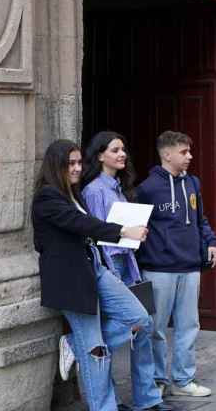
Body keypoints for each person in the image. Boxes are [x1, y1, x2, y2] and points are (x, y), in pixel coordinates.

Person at [32, 139, 171, 411]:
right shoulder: (48, 197)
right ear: (55, 166)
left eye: (78, 162)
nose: (76, 168)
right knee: (95, 353)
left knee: (141, 319)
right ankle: (105, 407)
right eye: (69, 163)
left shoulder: (74, 193)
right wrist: (122, 231)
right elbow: (81, 224)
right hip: (72, 280)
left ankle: (74, 343)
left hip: (94, 269)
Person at [136, 131, 216, 398]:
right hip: (158, 268)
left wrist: (211, 241)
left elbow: (200, 218)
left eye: (189, 151)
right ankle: (158, 380)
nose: (189, 156)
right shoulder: (147, 188)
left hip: (190, 266)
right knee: (156, 329)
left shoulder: (193, 183)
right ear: (167, 154)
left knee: (188, 326)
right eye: (184, 152)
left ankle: (183, 379)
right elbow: (136, 227)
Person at [81, 131, 142, 286]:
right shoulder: (94, 190)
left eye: (123, 150)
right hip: (109, 261)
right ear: (100, 156)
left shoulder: (119, 187)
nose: (122, 154)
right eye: (115, 151)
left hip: (127, 255)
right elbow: (97, 230)